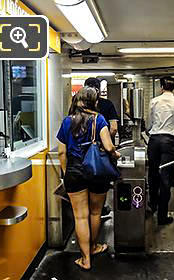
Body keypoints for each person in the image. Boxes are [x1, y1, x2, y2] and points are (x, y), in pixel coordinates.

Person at [57, 86, 120, 270]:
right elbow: (108, 147)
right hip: (96, 171)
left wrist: (66, 173)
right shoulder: (99, 120)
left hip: (74, 171)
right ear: (95, 102)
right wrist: (115, 154)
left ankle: (85, 259)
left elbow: (62, 152)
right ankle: (93, 247)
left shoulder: (67, 122)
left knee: (80, 217)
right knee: (95, 213)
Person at [147, 76, 174, 225]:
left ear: (161, 87)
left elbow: (149, 123)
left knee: (153, 173)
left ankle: (153, 204)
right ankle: (162, 216)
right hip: (170, 141)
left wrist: (151, 130)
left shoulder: (154, 101)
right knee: (166, 177)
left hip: (155, 140)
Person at [84, 77, 119, 217]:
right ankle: (100, 209)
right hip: (101, 153)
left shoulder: (77, 107)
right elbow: (114, 128)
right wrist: (105, 141)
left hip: (81, 154)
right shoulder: (107, 104)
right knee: (99, 187)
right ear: (99, 89)